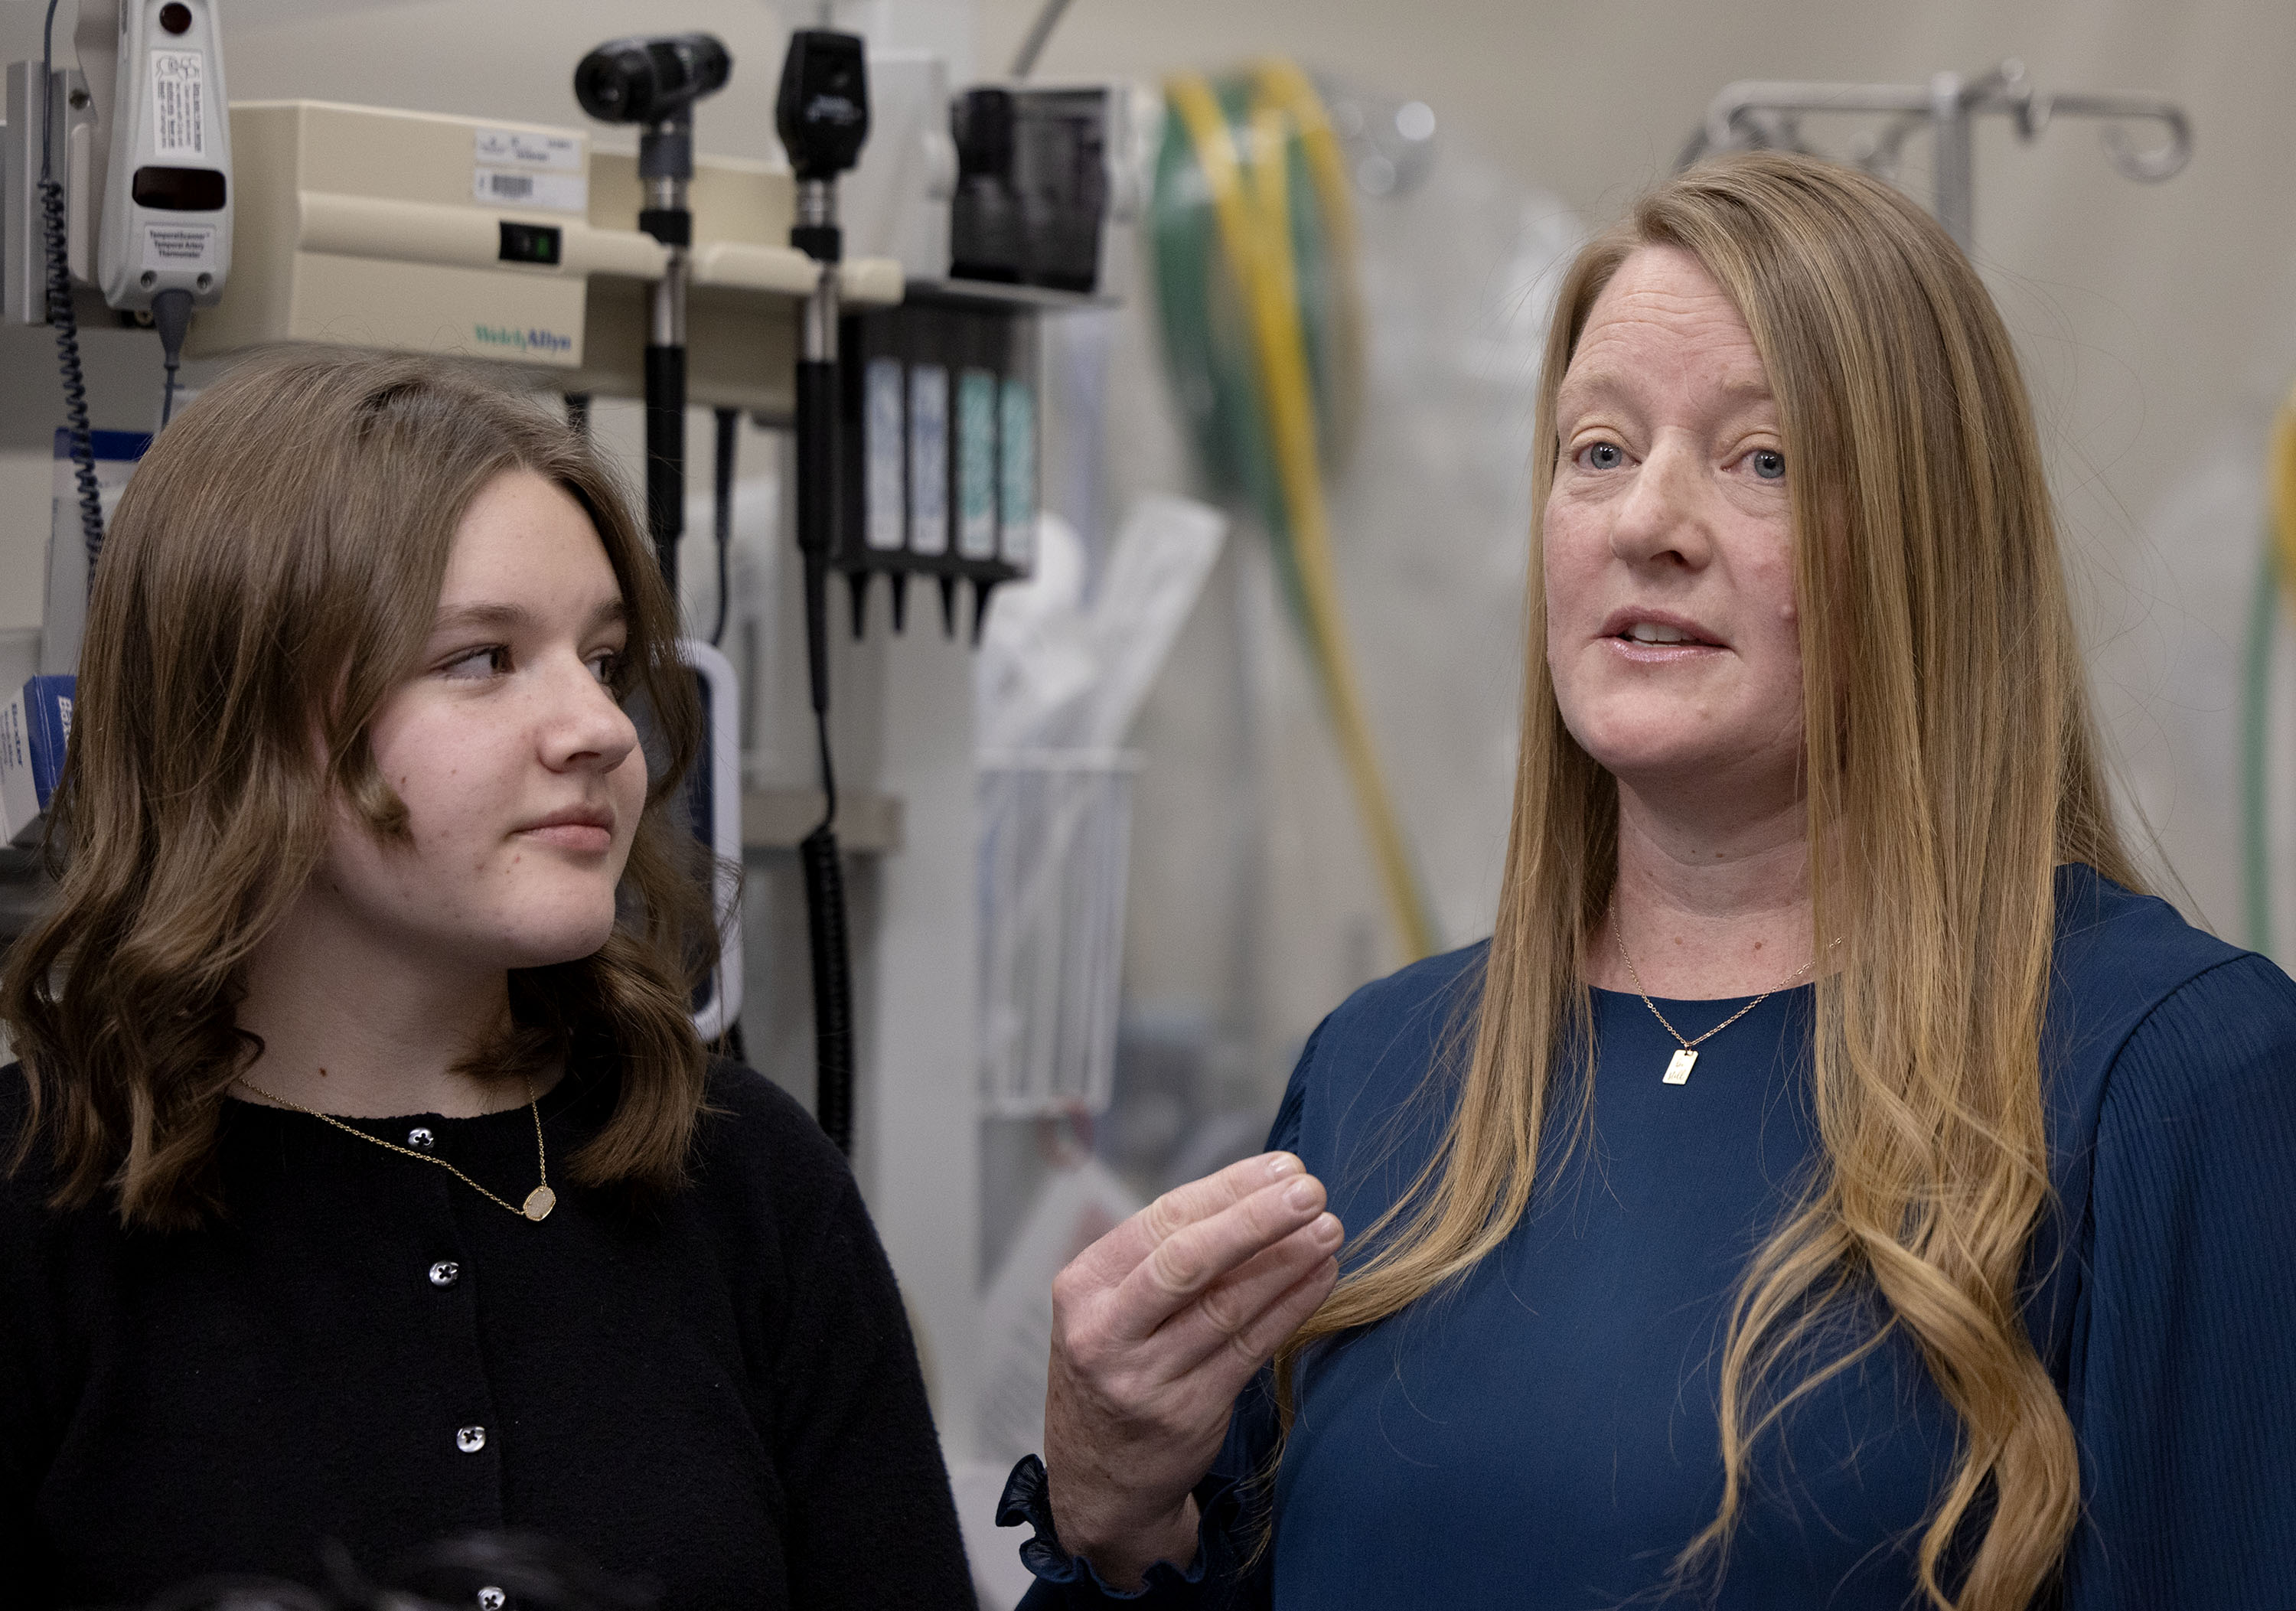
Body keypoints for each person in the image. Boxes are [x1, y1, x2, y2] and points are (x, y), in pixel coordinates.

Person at [998, 152, 2296, 1610]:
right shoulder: (1384, 1070)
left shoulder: (2172, 1073)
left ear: (1937, 549)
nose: (1644, 523)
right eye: (1599, 450)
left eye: (1766, 461)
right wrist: (1119, 1512)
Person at [0, 351, 977, 1609]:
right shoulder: (43, 1202)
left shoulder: (741, 1179)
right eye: (480, 659)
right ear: (241, 714)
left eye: (608, 658)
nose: (604, 727)